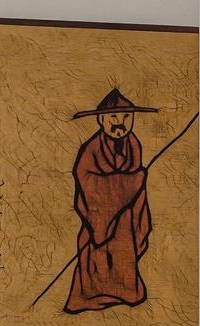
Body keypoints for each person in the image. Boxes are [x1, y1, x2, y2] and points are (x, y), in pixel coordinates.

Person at [64, 87, 157, 313]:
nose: (120, 123)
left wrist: (135, 186)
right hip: (98, 218)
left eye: (126, 117)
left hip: (125, 219)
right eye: (113, 117)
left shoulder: (133, 144)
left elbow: (135, 184)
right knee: (95, 259)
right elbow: (87, 181)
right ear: (101, 120)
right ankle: (90, 297)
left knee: (123, 254)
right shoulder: (91, 149)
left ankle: (125, 293)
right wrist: (133, 181)